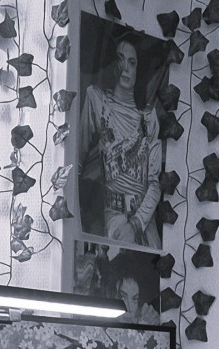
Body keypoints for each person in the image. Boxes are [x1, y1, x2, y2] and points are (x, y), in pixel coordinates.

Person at [79, 31, 162, 247]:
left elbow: (155, 184)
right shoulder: (97, 101)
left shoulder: (148, 116)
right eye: (120, 60)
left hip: (144, 220)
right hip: (113, 215)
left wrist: (135, 224)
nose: (126, 69)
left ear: (139, 68)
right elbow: (77, 159)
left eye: (132, 63)